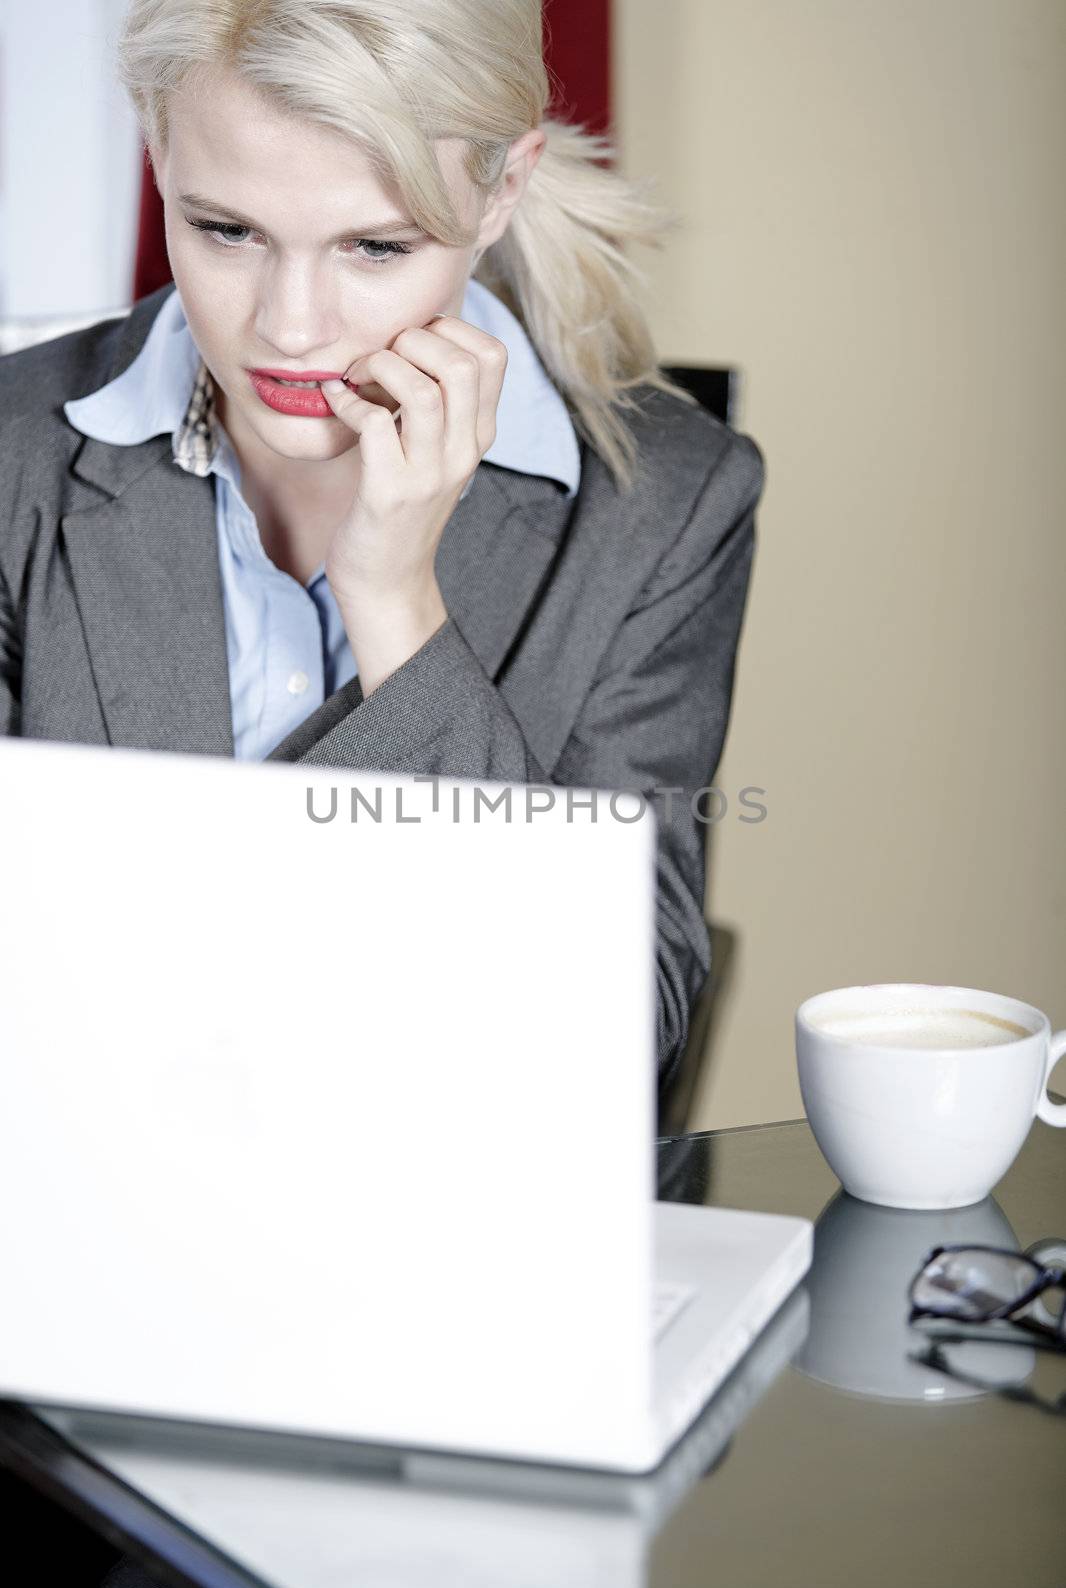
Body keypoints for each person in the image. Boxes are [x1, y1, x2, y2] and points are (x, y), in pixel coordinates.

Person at [0, 0, 764, 1109]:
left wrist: (396, 605)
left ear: (500, 189)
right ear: (159, 152)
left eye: (375, 246)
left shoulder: (669, 507)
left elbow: (610, 1032)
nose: (293, 327)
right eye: (226, 230)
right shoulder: (15, 456)